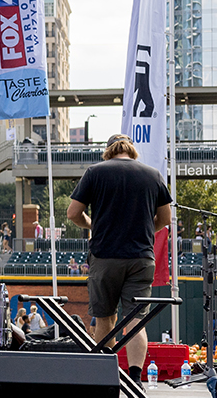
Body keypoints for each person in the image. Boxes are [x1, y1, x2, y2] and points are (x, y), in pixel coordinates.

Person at [66, 133, 173, 380]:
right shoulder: (153, 174)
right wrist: (144, 230)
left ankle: (106, 379)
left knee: (105, 318)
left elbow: (73, 213)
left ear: (108, 151)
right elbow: (166, 219)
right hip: (140, 257)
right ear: (131, 151)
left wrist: (92, 224)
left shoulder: (95, 172)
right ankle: (135, 380)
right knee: (135, 320)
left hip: (105, 256)